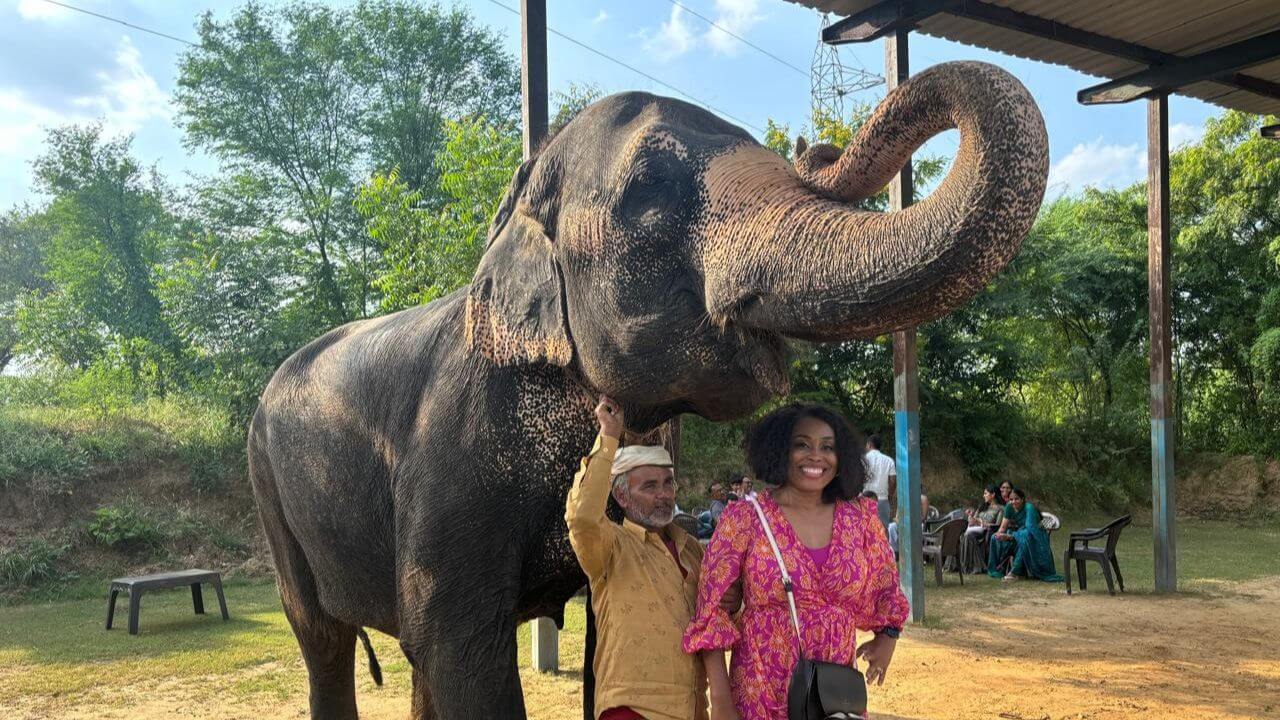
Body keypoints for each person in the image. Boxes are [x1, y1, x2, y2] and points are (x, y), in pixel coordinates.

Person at [683, 403, 909, 720]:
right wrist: (720, 700)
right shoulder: (745, 518)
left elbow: (887, 585)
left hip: (832, 693)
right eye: (801, 444)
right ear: (779, 451)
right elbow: (712, 608)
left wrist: (888, 639)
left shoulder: (860, 518)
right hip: (760, 690)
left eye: (827, 447)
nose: (816, 456)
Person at [566, 395, 708, 720]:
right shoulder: (610, 546)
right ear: (621, 496)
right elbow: (582, 517)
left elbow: (719, 618)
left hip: (694, 709)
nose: (663, 494)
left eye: (668, 483)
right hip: (631, 709)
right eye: (649, 486)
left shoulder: (691, 550)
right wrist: (609, 439)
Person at [986, 488, 1063, 582]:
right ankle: (997, 569)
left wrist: (1011, 536)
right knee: (994, 537)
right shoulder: (1009, 507)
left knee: (1025, 537)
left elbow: (1031, 529)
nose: (1013, 502)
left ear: (1022, 499)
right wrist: (999, 535)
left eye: (1016, 499)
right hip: (1020, 534)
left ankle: (1015, 573)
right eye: (1011, 499)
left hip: (1035, 537)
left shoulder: (1029, 508)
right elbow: (1002, 528)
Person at [959, 485, 1004, 574]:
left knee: (968, 536)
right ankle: (957, 565)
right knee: (959, 533)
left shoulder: (1000, 509)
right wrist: (970, 516)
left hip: (986, 532)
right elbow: (972, 521)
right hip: (974, 530)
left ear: (993, 495)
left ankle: (974, 566)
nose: (983, 496)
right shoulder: (982, 507)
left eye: (985, 493)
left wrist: (981, 523)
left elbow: (998, 525)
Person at [862, 434, 896, 527]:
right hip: (883, 500)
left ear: (869, 444)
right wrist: (889, 496)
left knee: (865, 530)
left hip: (865, 500)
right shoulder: (889, 460)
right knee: (884, 529)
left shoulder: (862, 460)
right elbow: (893, 481)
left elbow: (857, 479)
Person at [886, 494, 929, 560]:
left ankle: (909, 551)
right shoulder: (902, 497)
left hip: (917, 523)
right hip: (903, 523)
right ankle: (896, 551)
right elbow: (897, 517)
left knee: (920, 527)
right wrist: (901, 523)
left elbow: (923, 517)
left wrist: (910, 522)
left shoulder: (923, 498)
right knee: (891, 526)